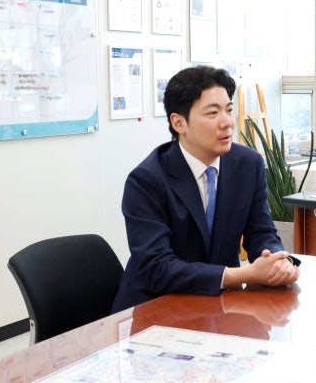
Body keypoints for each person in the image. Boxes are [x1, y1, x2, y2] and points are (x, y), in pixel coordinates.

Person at [112, 66, 299, 312]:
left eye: (229, 110)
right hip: (157, 306)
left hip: (219, 305)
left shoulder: (248, 164)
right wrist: (242, 275)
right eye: (212, 113)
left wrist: (276, 260)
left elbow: (261, 231)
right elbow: (157, 268)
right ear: (179, 123)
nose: (227, 122)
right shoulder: (147, 180)